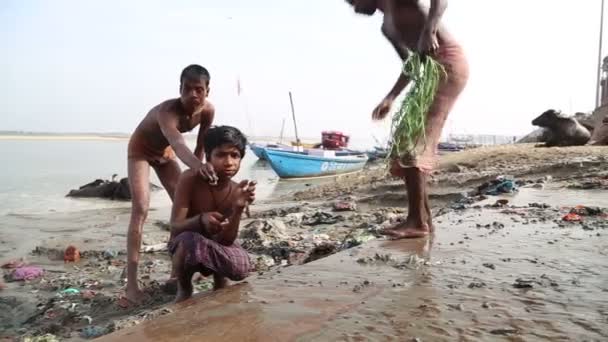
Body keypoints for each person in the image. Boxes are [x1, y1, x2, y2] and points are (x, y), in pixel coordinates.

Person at [345, 0, 469, 239]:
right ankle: (423, 218)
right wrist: (390, 97)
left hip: (448, 64)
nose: (353, 8)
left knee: (415, 143)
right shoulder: (386, 28)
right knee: (405, 141)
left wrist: (430, 31)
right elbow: (411, 64)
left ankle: (417, 222)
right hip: (429, 73)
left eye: (352, 0)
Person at [125, 64, 218, 303]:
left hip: (165, 153)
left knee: (185, 207)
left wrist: (199, 172)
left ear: (207, 90)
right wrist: (198, 166)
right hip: (141, 150)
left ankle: (177, 273)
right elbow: (178, 144)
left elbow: (200, 147)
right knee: (141, 209)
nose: (193, 95)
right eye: (187, 89)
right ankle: (132, 286)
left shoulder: (208, 111)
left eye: (199, 89)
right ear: (180, 88)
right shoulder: (167, 111)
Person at [168, 125, 255, 302]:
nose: (229, 162)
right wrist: (200, 220)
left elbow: (226, 240)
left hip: (216, 245)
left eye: (235, 155)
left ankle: (220, 285)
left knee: (242, 266)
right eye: (221, 155)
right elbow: (175, 226)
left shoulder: (235, 190)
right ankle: (184, 289)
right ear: (208, 157)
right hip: (186, 246)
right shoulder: (190, 179)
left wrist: (238, 209)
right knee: (188, 240)